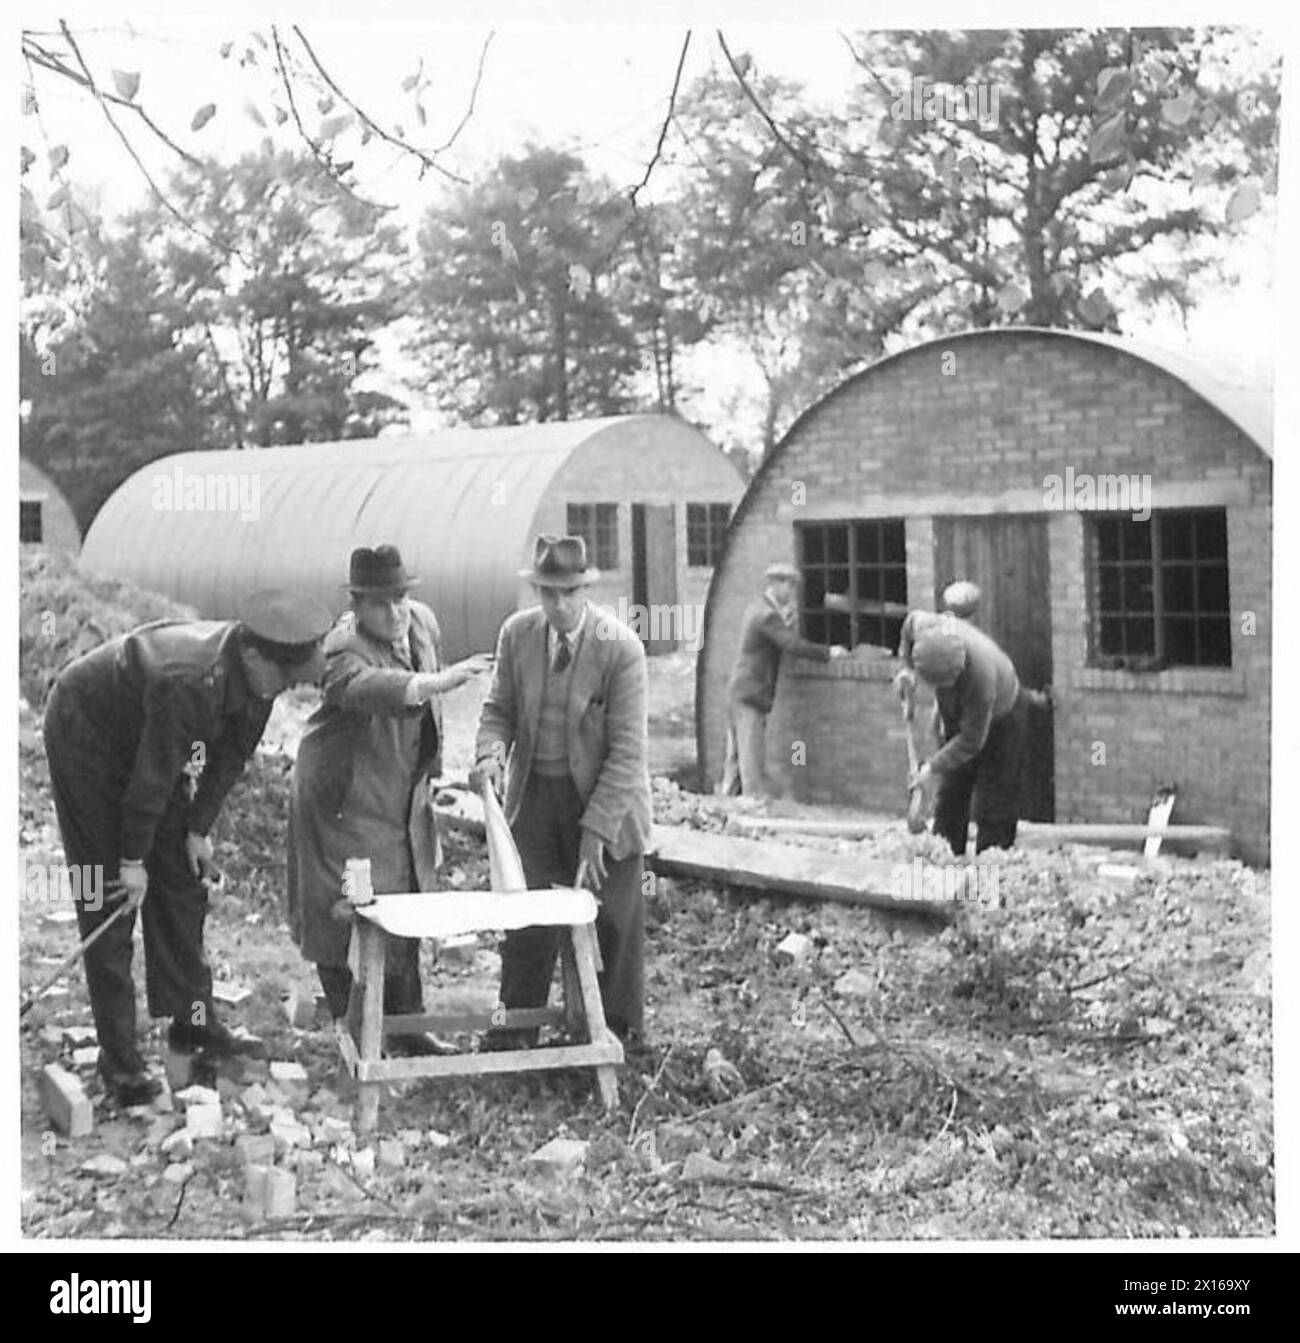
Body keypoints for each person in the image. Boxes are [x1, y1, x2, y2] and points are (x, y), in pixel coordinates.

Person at [42, 589, 333, 1106]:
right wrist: (131, 861)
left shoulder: (259, 682)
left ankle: (193, 1027)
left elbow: (228, 760)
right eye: (284, 679)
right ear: (254, 656)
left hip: (151, 741)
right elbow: (151, 780)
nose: (284, 691)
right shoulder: (192, 681)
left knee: (181, 880)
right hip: (86, 731)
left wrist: (197, 829)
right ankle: (121, 1065)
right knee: (107, 893)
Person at [287, 546, 491, 1053]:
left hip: (397, 791)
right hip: (342, 799)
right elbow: (367, 687)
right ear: (357, 605)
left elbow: (426, 717)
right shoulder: (341, 647)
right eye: (380, 603)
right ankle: (354, 1032)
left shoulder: (421, 623)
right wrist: (434, 683)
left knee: (407, 903)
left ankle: (408, 1027)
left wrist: (433, 774)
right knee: (344, 910)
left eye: (400, 598)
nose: (395, 612)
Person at [472, 534, 651, 1049]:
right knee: (526, 916)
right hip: (536, 797)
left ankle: (615, 1035)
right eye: (548, 593)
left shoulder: (621, 648)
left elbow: (628, 754)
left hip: (606, 801)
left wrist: (596, 832)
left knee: (612, 918)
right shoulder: (518, 634)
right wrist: (490, 756)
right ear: (537, 592)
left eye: (569, 593)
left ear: (585, 590)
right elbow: (499, 710)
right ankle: (515, 1031)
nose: (559, 605)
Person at [894, 610, 1027, 855]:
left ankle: (991, 862)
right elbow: (908, 626)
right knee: (952, 789)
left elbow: (971, 740)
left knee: (995, 800)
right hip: (962, 710)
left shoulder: (981, 679)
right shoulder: (923, 625)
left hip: (1003, 715)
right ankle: (945, 853)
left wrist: (930, 768)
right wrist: (908, 671)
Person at [720, 562, 848, 798]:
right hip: (751, 693)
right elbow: (792, 645)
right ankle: (753, 802)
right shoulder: (767, 615)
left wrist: (785, 623)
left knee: (736, 757)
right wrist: (829, 652)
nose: (792, 592)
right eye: (789, 586)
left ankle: (726, 803)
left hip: (740, 690)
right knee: (750, 757)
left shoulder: (757, 608)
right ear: (776, 584)